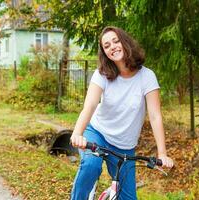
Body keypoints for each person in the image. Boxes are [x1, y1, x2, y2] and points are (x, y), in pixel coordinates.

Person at [70, 26, 174, 200]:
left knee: (128, 198)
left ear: (125, 42)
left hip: (125, 146)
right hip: (97, 134)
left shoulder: (147, 77)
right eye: (107, 45)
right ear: (104, 52)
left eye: (116, 41)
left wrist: (162, 153)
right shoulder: (102, 74)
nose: (113, 47)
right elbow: (90, 106)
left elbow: (155, 116)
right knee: (91, 165)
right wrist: (77, 133)